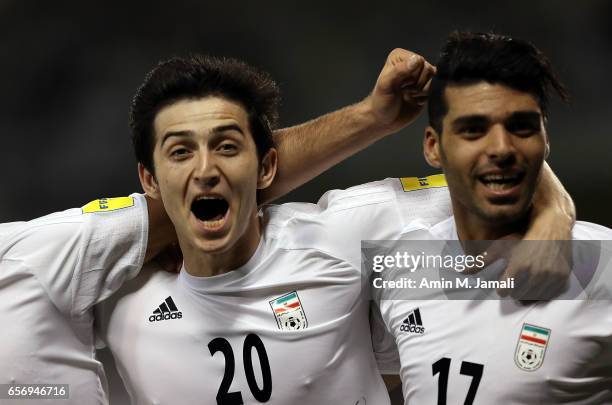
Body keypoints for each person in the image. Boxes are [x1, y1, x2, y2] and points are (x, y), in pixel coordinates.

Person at [94, 51, 576, 404]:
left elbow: (491, 171)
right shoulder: (116, 289)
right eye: (180, 151)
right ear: (148, 179)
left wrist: (555, 211)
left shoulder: (340, 234)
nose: (204, 170)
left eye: (227, 146)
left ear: (266, 168)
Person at [375, 32, 612, 404]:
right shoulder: (404, 258)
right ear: (433, 146)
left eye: (522, 127)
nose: (501, 148)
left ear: (545, 139)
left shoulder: (604, 266)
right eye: (473, 130)